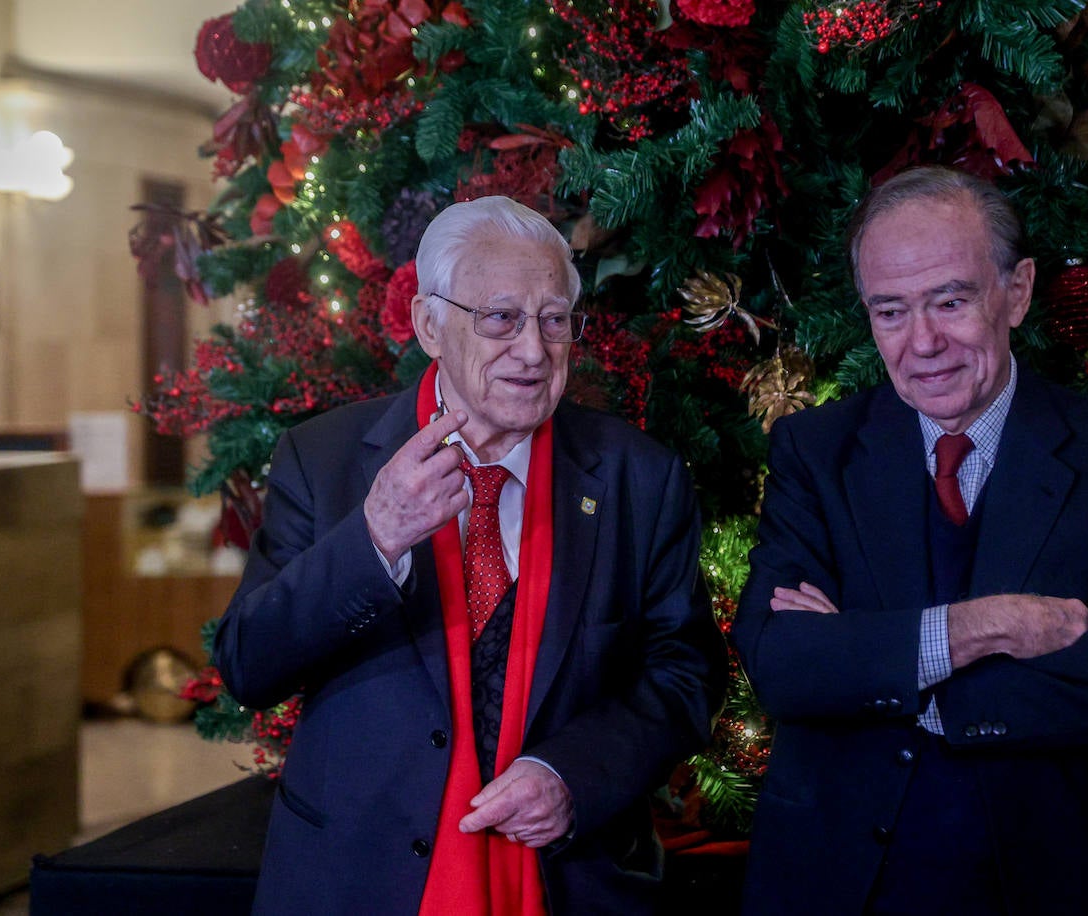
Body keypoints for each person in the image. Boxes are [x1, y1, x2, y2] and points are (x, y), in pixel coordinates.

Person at [215, 195, 726, 915]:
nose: (532, 350)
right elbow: (247, 664)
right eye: (500, 318)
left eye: (554, 321)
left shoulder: (637, 477)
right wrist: (375, 539)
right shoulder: (322, 460)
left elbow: (686, 673)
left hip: (565, 883)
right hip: (357, 881)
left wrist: (572, 774)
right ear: (430, 325)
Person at [731, 166, 1088, 915]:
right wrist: (984, 628)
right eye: (890, 312)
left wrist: (870, 662)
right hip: (837, 884)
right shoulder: (814, 452)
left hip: (1051, 881)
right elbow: (781, 663)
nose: (924, 343)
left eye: (950, 301)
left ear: (1017, 291)